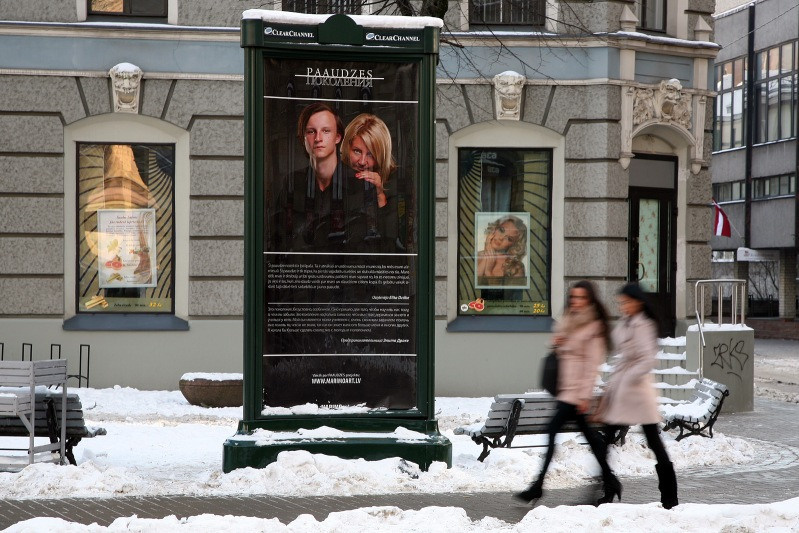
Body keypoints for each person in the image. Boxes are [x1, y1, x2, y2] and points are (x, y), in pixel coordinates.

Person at [514, 281, 621, 505]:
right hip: (565, 389)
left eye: (581, 298)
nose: (576, 302)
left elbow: (592, 364)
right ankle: (610, 481)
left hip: (576, 394)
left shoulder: (594, 326)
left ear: (590, 300)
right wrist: (557, 343)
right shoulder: (570, 321)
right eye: (573, 297)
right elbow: (563, 351)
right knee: (592, 440)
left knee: (553, 431)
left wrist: (583, 396)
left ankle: (537, 486)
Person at [600, 282, 678, 509]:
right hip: (624, 393)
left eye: (626, 302)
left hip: (638, 393)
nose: (623, 306)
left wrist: (625, 379)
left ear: (638, 302)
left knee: (654, 442)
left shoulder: (644, 325)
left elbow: (647, 360)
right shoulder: (627, 323)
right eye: (621, 302)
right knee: (606, 440)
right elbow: (619, 353)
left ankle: (669, 496)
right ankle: (608, 488)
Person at [340, 113, 397, 209]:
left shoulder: (394, 181)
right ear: (347, 148)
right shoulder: (336, 176)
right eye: (357, 151)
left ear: (381, 155)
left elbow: (392, 223)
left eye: (370, 154)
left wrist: (379, 194)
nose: (362, 162)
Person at [476, 215, 527, 283]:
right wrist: (486, 257)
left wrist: (488, 271)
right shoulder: (475, 256)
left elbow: (508, 293)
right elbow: (470, 287)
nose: (501, 238)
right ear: (495, 228)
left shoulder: (516, 267)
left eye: (509, 239)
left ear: (513, 245)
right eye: (501, 230)